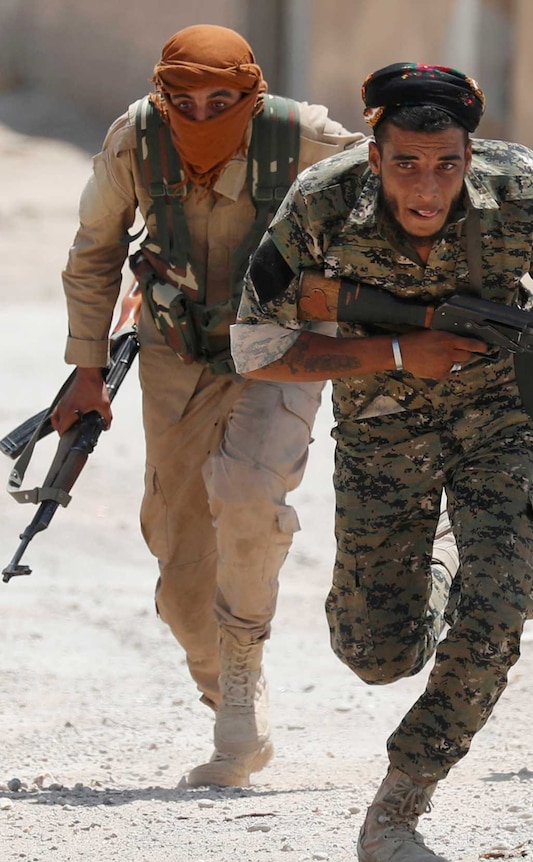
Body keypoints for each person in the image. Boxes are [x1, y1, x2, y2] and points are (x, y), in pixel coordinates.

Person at [231, 62, 533, 861]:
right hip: (382, 424)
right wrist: (398, 349)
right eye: (406, 165)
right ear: (373, 155)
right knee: (376, 654)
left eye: (448, 165)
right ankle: (447, 561)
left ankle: (399, 806)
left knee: (503, 605)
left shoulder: (518, 186)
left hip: (504, 414)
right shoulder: (321, 203)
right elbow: (256, 346)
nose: (428, 189)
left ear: (471, 151)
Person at [51, 24, 364, 788]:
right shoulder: (138, 138)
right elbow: (94, 250)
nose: (199, 115)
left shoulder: (299, 136)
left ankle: (240, 689)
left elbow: (401, 189)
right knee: (180, 562)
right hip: (175, 354)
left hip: (281, 351)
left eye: (220, 100)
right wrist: (86, 368)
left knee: (250, 490)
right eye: (182, 99)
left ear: (251, 94)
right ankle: (235, 693)